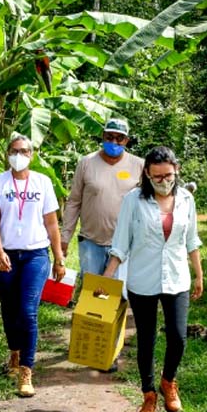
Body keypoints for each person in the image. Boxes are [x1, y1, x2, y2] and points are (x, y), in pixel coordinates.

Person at [102, 146, 203, 412]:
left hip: (177, 277)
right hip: (142, 278)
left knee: (178, 336)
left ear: (177, 171)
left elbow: (191, 240)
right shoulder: (133, 200)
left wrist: (199, 274)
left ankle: (168, 381)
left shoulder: (186, 199)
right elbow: (121, 243)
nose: (163, 181)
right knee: (146, 338)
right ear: (147, 174)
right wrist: (108, 276)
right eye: (156, 177)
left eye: (168, 175)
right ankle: (148, 395)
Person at [0, 133, 66, 397]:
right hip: (7, 254)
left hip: (35, 255)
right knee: (9, 308)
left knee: (28, 310)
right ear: (7, 153)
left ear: (31, 155)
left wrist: (58, 257)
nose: (18, 155)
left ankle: (26, 370)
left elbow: (51, 223)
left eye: (24, 151)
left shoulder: (43, 182)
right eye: (14, 150)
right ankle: (14, 353)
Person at [60, 117, 144, 290]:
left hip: (125, 242)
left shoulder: (139, 165)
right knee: (92, 291)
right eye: (109, 137)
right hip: (91, 241)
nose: (114, 142)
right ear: (103, 136)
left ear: (126, 140)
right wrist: (65, 237)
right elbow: (74, 202)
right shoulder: (86, 163)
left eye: (119, 138)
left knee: (119, 293)